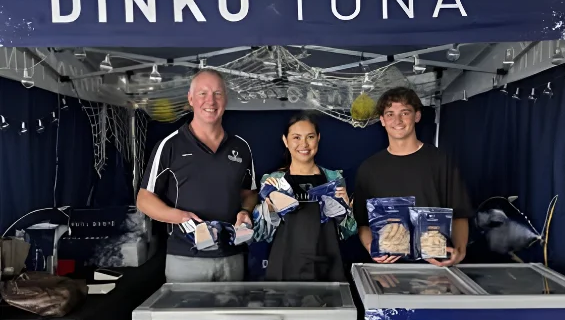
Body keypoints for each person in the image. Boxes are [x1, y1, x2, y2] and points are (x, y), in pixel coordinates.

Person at [136, 69, 258, 282]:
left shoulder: (241, 147)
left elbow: (249, 193)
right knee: (188, 317)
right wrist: (180, 217)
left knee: (230, 315)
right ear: (190, 99)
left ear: (225, 99)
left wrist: (245, 211)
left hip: (232, 257)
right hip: (185, 259)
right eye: (202, 93)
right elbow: (144, 200)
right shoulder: (169, 146)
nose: (210, 101)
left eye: (217, 93)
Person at [353, 87, 472, 266]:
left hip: (435, 268)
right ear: (382, 120)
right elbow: (362, 222)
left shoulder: (440, 161)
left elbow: (459, 213)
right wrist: (372, 248)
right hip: (389, 271)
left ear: (417, 116)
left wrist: (460, 252)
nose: (397, 120)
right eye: (390, 114)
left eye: (405, 112)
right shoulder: (369, 168)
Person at [253, 112, 357, 281]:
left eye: (310, 137)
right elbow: (260, 235)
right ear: (285, 141)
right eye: (296, 137)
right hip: (284, 267)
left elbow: (347, 232)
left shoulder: (334, 179)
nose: (304, 144)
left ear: (318, 139)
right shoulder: (273, 182)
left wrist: (346, 212)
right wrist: (269, 210)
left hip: (328, 267)